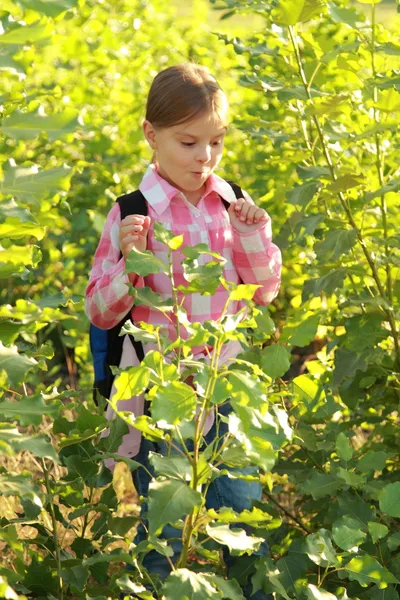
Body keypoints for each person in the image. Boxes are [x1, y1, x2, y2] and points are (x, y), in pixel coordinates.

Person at [85, 63, 281, 599]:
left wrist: (253, 233)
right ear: (152, 134)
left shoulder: (233, 203)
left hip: (227, 388)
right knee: (165, 528)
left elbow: (264, 291)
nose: (205, 157)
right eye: (189, 141)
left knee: (240, 520)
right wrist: (131, 261)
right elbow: (100, 311)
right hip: (164, 398)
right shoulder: (131, 213)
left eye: (216, 142)